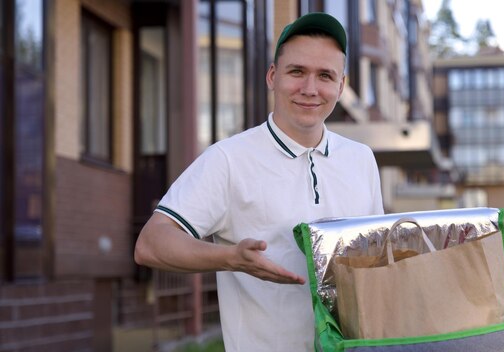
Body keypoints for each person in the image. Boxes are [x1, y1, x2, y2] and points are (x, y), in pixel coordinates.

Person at [134, 12, 384, 352]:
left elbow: (377, 266)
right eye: (297, 71)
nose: (310, 89)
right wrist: (230, 258)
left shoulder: (362, 160)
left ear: (341, 86)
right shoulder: (228, 159)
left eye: (325, 75)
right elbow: (151, 243)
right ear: (272, 76)